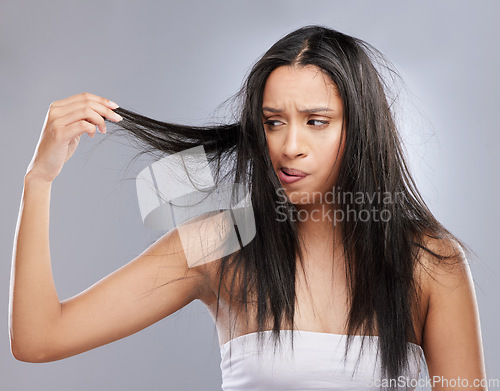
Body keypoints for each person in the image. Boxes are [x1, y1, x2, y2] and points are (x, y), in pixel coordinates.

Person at [9, 25, 487, 390]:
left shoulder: (429, 262)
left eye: (316, 121)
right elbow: (39, 338)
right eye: (273, 122)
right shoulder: (219, 243)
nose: (290, 145)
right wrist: (39, 179)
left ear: (360, 130)